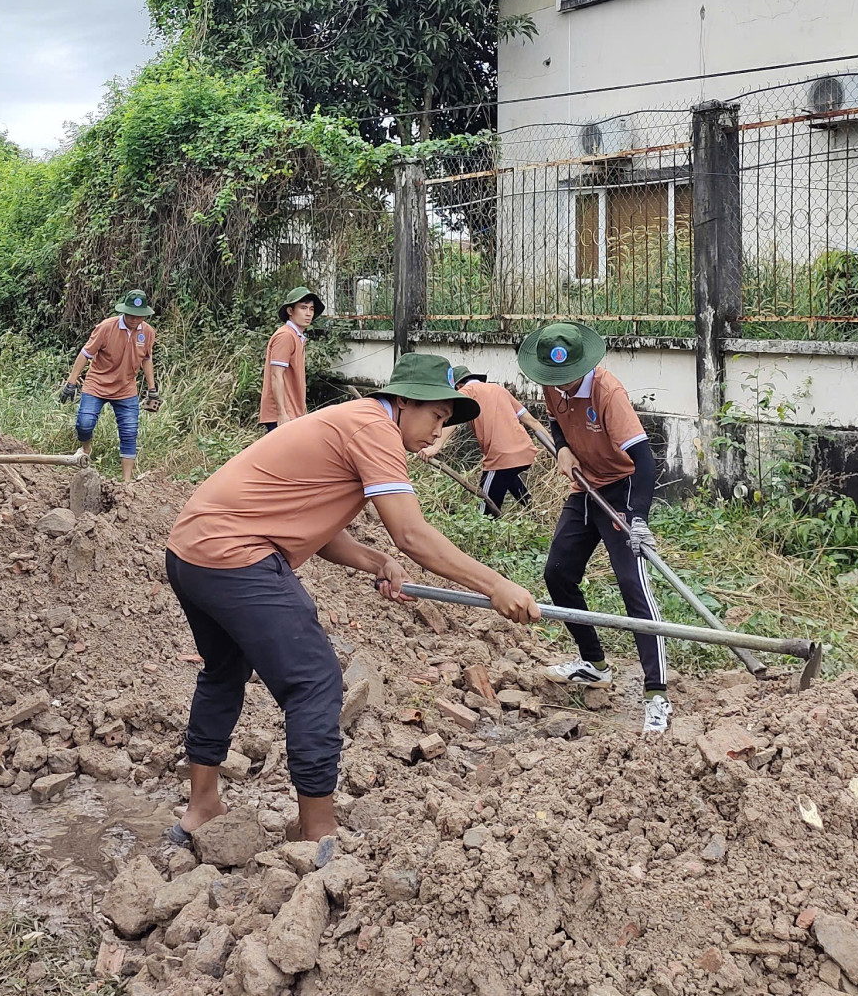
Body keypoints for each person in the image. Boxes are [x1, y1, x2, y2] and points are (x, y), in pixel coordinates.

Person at [165, 352, 540, 844]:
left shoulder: (354, 424)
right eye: (435, 416)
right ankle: (318, 834)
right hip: (237, 556)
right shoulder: (375, 429)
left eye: (447, 422)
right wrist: (496, 585)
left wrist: (374, 560)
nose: (437, 432)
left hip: (191, 551)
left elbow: (311, 525)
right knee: (316, 682)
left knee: (223, 670)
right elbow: (412, 534)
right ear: (403, 400)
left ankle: (202, 808)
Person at [516, 322, 670, 736]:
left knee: (632, 586)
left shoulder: (608, 393)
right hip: (584, 488)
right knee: (558, 573)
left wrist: (637, 517)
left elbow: (644, 460)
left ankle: (657, 693)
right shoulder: (553, 384)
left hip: (619, 490)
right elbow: (557, 423)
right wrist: (563, 449)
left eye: (565, 379)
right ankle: (594, 664)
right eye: (552, 379)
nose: (558, 387)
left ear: (581, 366)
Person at [418, 366, 551, 514]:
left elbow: (453, 422)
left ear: (457, 386)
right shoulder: (499, 390)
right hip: (525, 452)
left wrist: (435, 448)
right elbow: (532, 421)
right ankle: (534, 512)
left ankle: (486, 532)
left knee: (485, 507)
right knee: (508, 476)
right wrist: (554, 446)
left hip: (500, 458)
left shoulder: (465, 393)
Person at [59, 289, 159, 483]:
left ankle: (126, 483)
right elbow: (85, 353)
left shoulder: (147, 332)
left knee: (130, 432)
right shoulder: (106, 327)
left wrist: (152, 389)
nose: (134, 320)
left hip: (126, 387)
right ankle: (86, 448)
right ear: (124, 311)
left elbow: (147, 359)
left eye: (139, 317)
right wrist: (71, 382)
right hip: (97, 384)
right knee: (84, 424)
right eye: (130, 315)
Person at [259, 285, 322, 432]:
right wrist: (282, 413)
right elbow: (276, 376)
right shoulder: (286, 336)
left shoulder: (296, 337)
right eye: (303, 308)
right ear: (290, 311)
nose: (308, 313)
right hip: (282, 415)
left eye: (311, 309)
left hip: (292, 413)